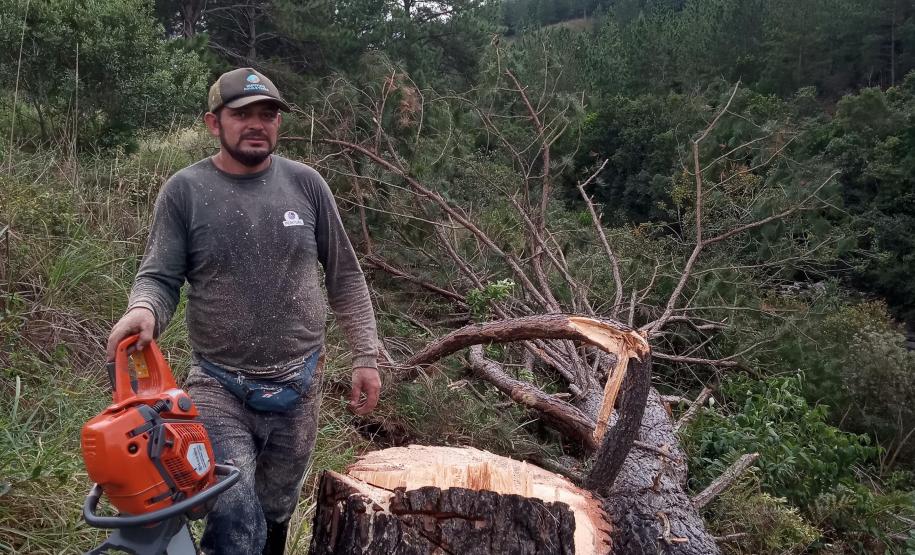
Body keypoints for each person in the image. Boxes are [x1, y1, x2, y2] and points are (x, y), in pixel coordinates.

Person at [106, 67, 381, 554]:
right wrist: (144, 310)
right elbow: (160, 277)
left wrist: (366, 356)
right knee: (232, 508)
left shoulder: (307, 185)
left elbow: (345, 276)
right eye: (242, 114)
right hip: (218, 384)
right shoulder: (185, 191)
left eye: (268, 114)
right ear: (214, 123)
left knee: (276, 508)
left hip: (300, 383)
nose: (257, 124)